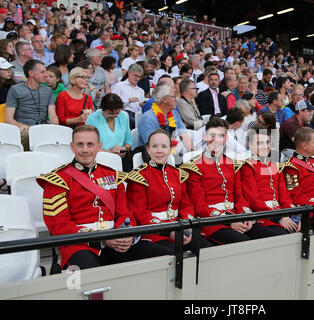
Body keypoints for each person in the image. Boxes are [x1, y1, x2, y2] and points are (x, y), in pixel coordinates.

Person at [36, 125, 173, 270]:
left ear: (99, 147)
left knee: (167, 258)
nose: (85, 150)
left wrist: (126, 235)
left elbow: (125, 214)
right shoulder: (58, 180)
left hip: (115, 240)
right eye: (80, 145)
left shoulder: (113, 176)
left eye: (90, 144)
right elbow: (59, 225)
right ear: (72, 147)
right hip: (80, 245)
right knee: (90, 275)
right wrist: (102, 239)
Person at [180, 117, 283, 244]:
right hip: (211, 223)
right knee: (244, 243)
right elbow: (199, 206)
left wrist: (246, 216)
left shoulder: (233, 165)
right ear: (205, 137)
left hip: (235, 217)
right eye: (213, 135)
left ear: (226, 139)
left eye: (221, 135)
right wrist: (230, 221)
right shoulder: (194, 166)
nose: (217, 140)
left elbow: (240, 198)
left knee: (274, 237)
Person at [126, 129, 212, 251]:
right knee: (177, 255)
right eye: (155, 146)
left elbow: (186, 205)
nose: (159, 150)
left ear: (171, 149)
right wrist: (167, 232)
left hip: (179, 228)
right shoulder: (139, 176)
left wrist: (186, 226)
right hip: (155, 233)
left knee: (206, 249)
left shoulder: (177, 174)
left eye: (164, 146)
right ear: (148, 149)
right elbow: (139, 213)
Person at [240, 126, 297, 233]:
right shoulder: (247, 166)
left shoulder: (275, 166)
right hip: (262, 217)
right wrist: (279, 218)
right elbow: (254, 200)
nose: (265, 146)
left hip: (279, 212)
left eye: (267, 142)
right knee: (282, 235)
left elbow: (285, 196)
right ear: (250, 145)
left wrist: (294, 216)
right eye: (259, 143)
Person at [5, 59, 58, 150]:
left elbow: (52, 115)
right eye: (42, 72)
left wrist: (55, 127)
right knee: (27, 135)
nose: (46, 75)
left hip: (43, 128)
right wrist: (22, 126)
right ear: (31, 73)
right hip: (24, 129)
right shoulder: (15, 89)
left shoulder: (48, 90)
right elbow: (8, 119)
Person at [138, 84, 193, 153]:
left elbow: (184, 135)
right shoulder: (148, 118)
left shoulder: (174, 113)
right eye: (173, 97)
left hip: (173, 152)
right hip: (154, 156)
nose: (176, 99)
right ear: (164, 99)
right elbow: (153, 146)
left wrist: (192, 152)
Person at [86, 93, 133, 172]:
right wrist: (110, 153)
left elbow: (129, 142)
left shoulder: (123, 116)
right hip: (99, 159)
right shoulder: (92, 118)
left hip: (121, 159)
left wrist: (122, 149)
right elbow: (88, 145)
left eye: (117, 113)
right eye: (111, 114)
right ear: (102, 109)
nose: (114, 116)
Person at [111, 63, 146, 130]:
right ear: (129, 73)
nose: (137, 79)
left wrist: (142, 105)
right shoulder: (119, 86)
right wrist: (128, 100)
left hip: (137, 114)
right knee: (131, 119)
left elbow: (140, 108)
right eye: (135, 76)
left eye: (139, 77)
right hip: (122, 113)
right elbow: (112, 103)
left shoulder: (141, 91)